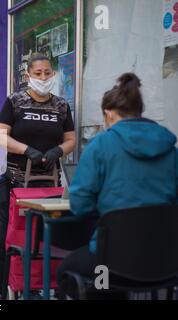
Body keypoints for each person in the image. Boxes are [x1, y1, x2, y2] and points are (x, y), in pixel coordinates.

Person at [56, 73, 178, 299]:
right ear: (139, 112)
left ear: (109, 114)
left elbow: (80, 204)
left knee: (70, 272)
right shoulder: (171, 149)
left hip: (109, 264)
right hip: (165, 263)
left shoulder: (101, 145)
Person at [0, 53, 77, 300]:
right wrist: (26, 150)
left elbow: (70, 139)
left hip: (49, 185)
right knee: (6, 236)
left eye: (47, 72)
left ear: (53, 73)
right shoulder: (14, 101)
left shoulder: (61, 105)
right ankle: (0, 288)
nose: (43, 77)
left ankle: (40, 283)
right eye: (37, 73)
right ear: (27, 75)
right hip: (15, 183)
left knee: (45, 235)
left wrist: (57, 150)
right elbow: (0, 136)